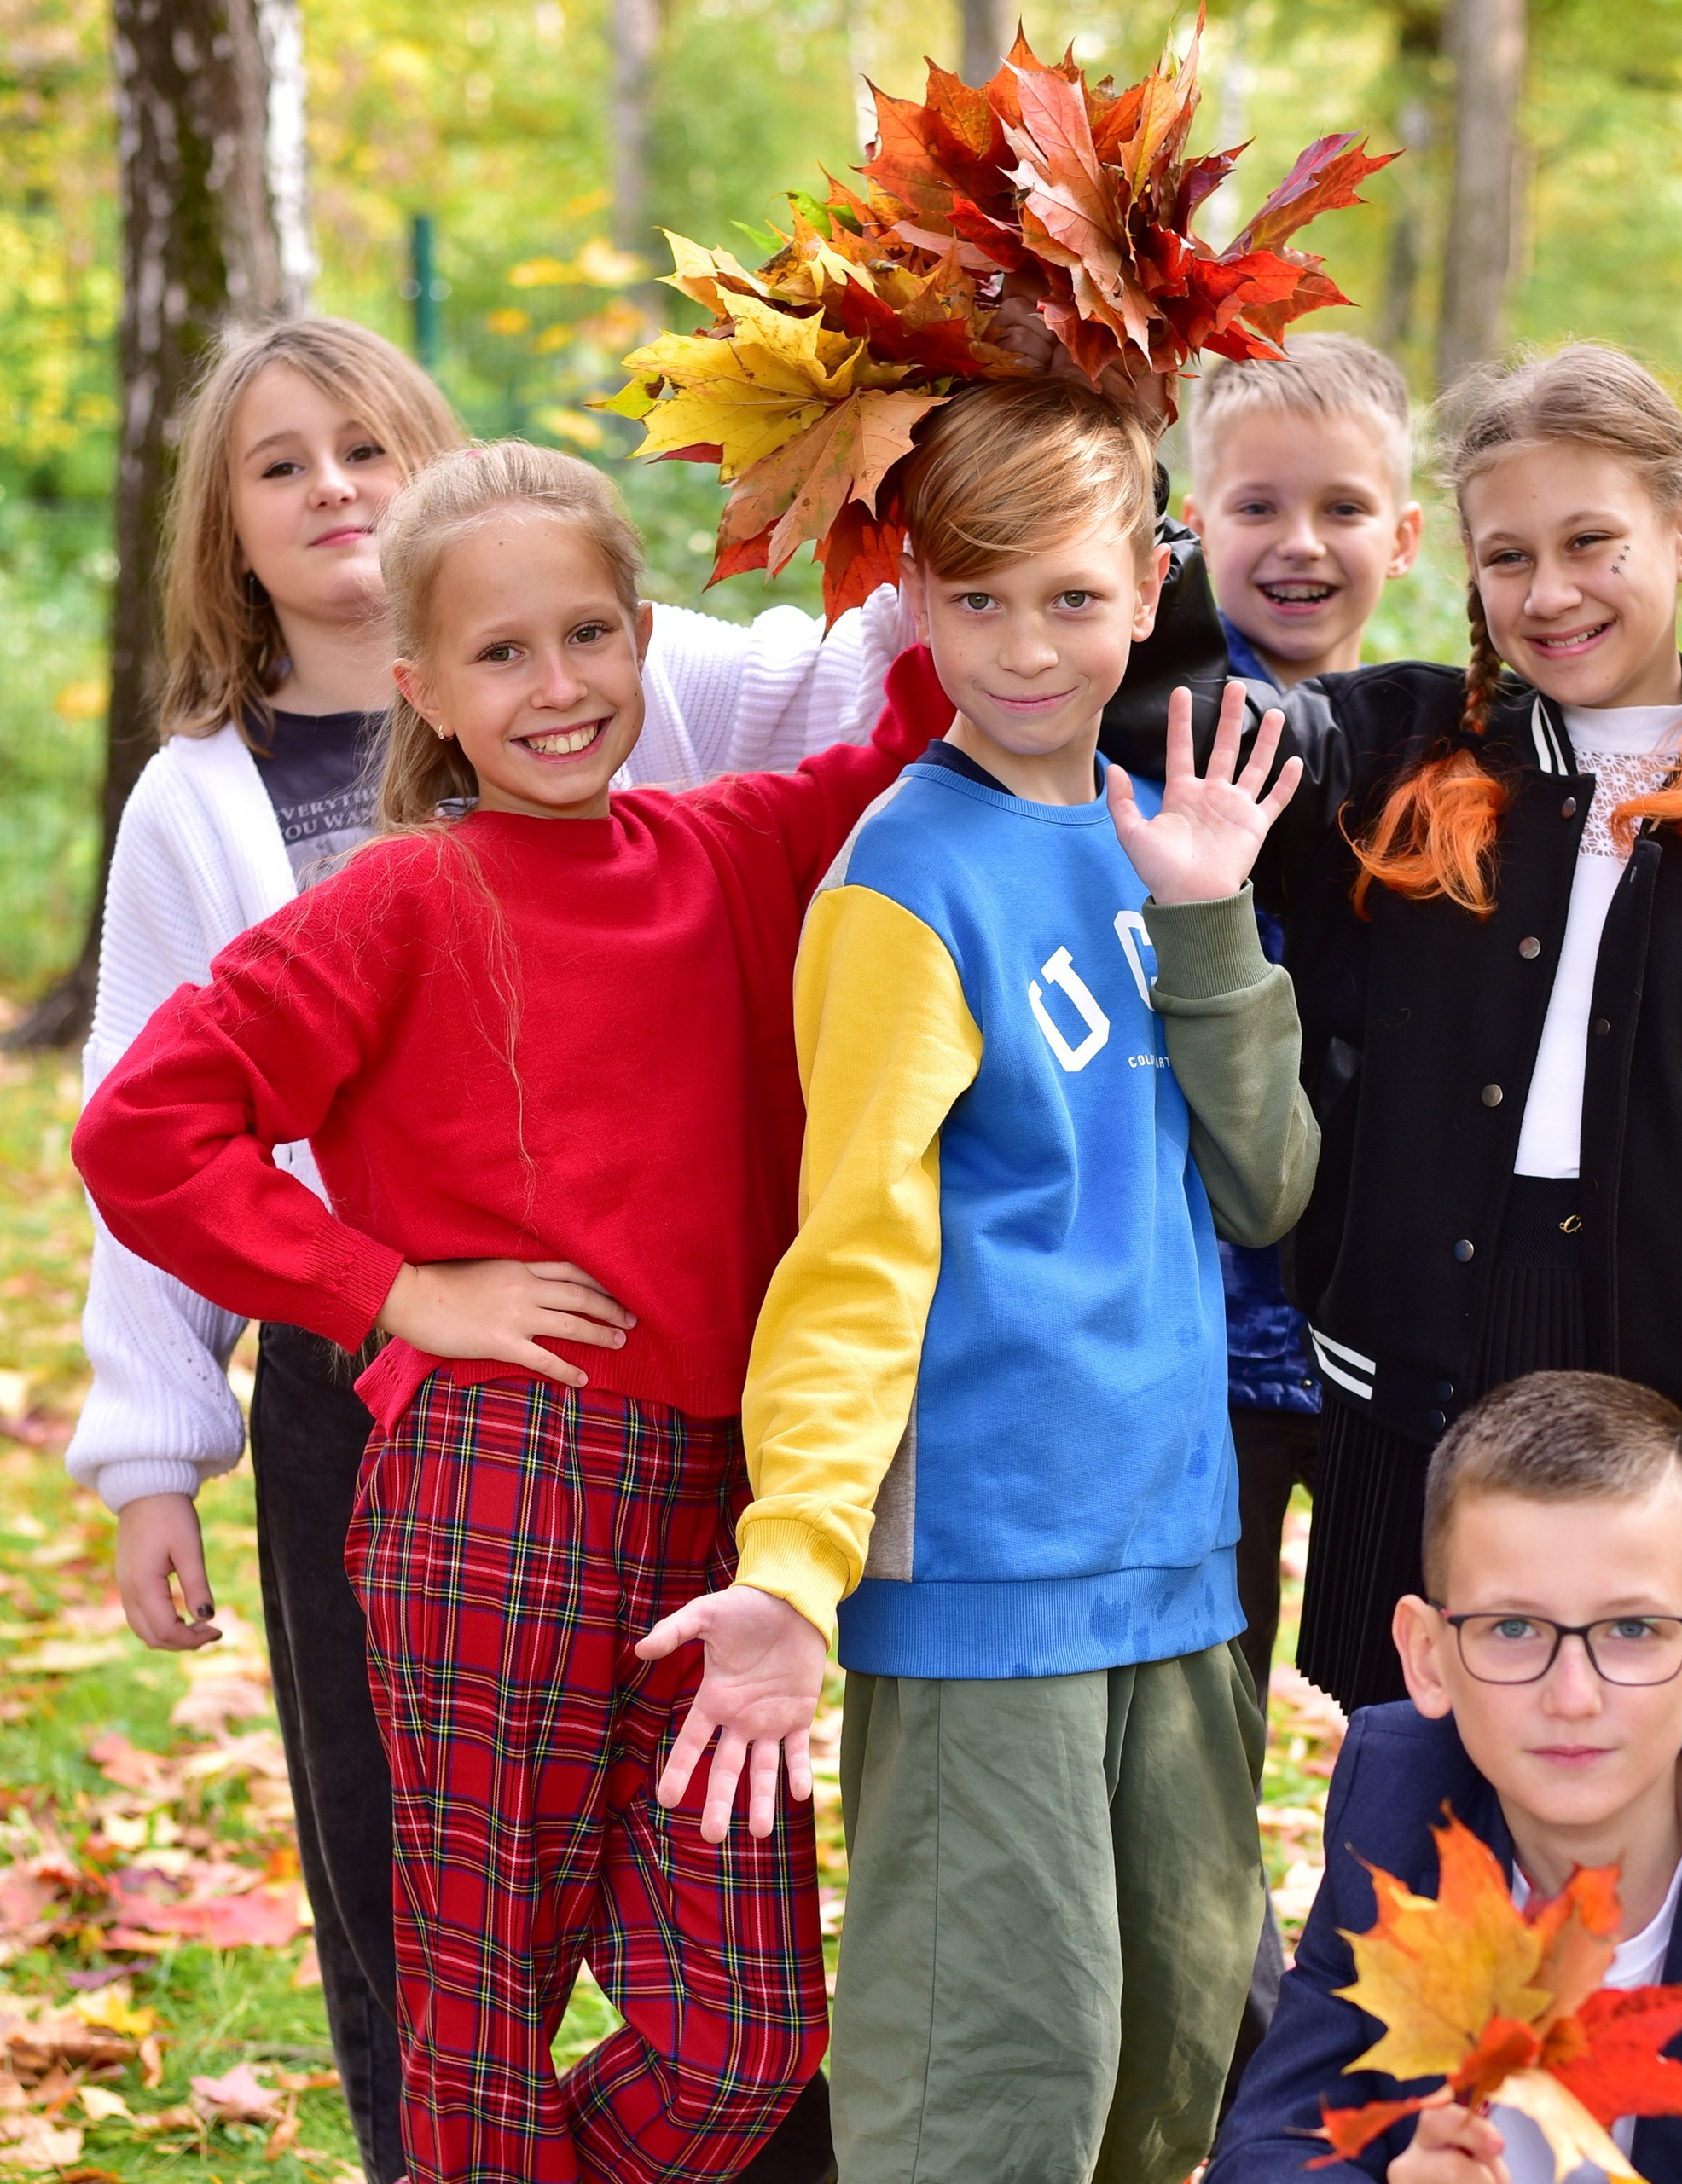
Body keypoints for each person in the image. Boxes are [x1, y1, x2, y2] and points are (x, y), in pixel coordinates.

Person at [66, 316, 909, 2182]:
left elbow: (922, 715)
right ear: (424, 689)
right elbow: (141, 1130)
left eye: (589, 637)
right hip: (491, 1488)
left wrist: (966, 436)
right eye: (503, 655)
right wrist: (389, 1290)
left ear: (646, 641)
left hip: (715, 1504)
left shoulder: (727, 846)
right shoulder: (397, 896)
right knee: (477, 2008)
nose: (557, 685)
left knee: (746, 2038)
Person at [634, 377, 1320, 2184]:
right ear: (916, 600)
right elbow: (852, 1249)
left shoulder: (1154, 838)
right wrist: (796, 1557)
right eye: (978, 598)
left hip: (1171, 1554)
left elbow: (1266, 1182)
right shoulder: (903, 884)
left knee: (1166, 2064)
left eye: (1072, 597)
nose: (1023, 647)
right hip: (985, 1570)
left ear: (1151, 583)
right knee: (994, 2081)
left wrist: (1208, 918)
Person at [1243, 342, 1682, 1714]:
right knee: (1404, 1734)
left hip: (1648, 1382)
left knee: (1586, 1745)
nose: (1548, 594)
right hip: (1410, 1354)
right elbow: (1185, 708)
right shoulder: (1393, 752)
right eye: (1507, 557)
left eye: (1589, 542)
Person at [1208, 1370, 1682, 2182]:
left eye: (1632, 1628)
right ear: (1427, 1655)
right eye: (1511, 1627)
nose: (1571, 1696)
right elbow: (1271, 2147)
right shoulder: (1399, 1798)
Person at [1180, 332, 1423, 1704]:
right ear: (1193, 521)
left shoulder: (1434, 744)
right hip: (1204, 1312)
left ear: (1403, 534)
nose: (1299, 543)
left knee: (1407, 1677)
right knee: (1205, 1688)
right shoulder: (1155, 718)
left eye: (1341, 508)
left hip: (1377, 1309)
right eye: (1258, 506)